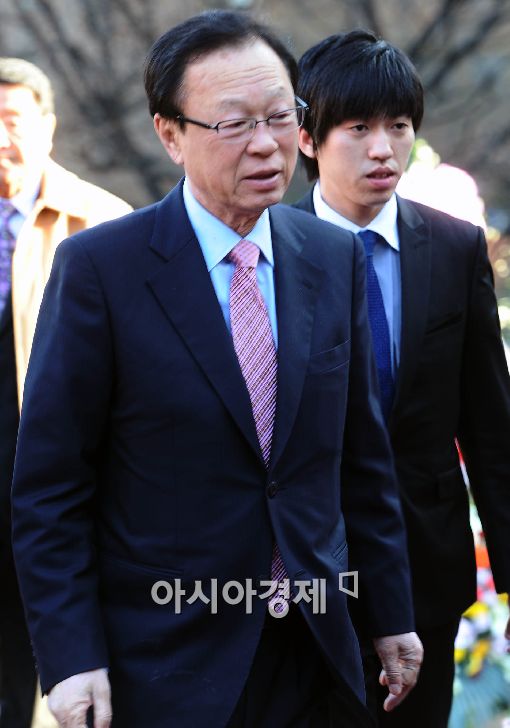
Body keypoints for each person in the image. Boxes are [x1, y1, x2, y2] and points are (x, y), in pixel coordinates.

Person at [11, 13, 422, 728]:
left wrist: (390, 613)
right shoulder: (102, 270)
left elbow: (362, 461)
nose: (265, 143)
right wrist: (72, 657)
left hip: (318, 647)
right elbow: (51, 486)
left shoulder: (332, 257)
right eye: (234, 124)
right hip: (167, 659)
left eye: (280, 116)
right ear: (170, 134)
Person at [295, 29, 510, 728]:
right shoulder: (264, 249)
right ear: (307, 138)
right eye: (359, 129)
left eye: (398, 126)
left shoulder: (453, 247)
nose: (384, 148)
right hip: (304, 570)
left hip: (427, 566)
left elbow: (491, 426)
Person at [0, 57, 131, 728]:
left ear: (47, 128)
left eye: (12, 121)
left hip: (56, 486)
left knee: (53, 667)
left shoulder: (102, 221)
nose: (0, 140)